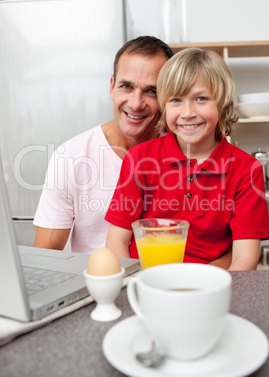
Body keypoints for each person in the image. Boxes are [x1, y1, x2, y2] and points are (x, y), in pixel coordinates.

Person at [105, 48, 269, 271]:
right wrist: (132, 285)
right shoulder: (139, 159)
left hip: (208, 285)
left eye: (201, 99)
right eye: (176, 100)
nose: (187, 113)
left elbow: (244, 259)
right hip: (145, 280)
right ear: (164, 106)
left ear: (222, 103)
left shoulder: (246, 169)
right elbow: (117, 241)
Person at [33, 36, 174, 253]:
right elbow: (47, 252)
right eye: (126, 86)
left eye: (151, 91)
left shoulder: (188, 152)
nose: (136, 104)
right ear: (112, 87)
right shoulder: (70, 156)